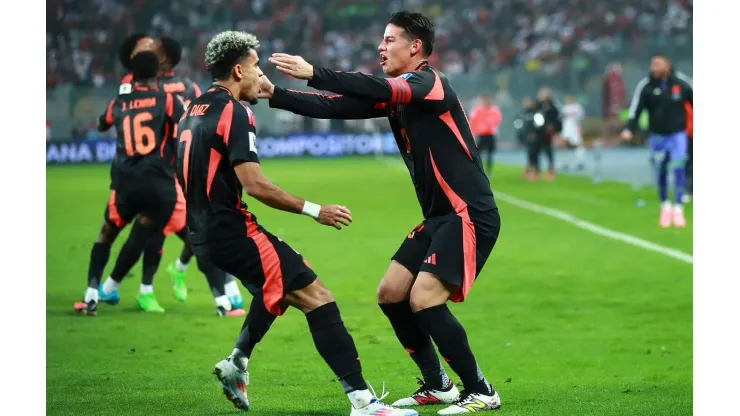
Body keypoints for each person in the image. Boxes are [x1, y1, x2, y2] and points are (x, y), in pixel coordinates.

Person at [264, 11, 502, 414]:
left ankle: (481, 389)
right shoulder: (400, 96)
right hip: (438, 218)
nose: (380, 47)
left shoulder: (430, 83)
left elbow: (371, 86)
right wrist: (273, 94)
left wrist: (314, 72)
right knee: (391, 294)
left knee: (424, 299)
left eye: (390, 40)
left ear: (415, 48)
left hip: (467, 214)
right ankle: (438, 384)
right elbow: (336, 107)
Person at [175, 30, 416, 416]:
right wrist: (314, 209)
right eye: (256, 67)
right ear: (238, 70)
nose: (261, 77)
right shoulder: (235, 112)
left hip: (202, 232)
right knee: (316, 296)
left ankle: (237, 361)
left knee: (277, 288)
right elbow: (254, 185)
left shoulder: (192, 110)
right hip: (232, 230)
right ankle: (364, 403)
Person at [74, 51, 185, 316]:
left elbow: (102, 124)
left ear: (132, 74)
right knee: (145, 233)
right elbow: (187, 124)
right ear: (158, 73)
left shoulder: (120, 103)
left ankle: (92, 293)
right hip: (160, 186)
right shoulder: (168, 100)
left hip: (126, 183)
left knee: (106, 235)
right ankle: (138, 288)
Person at [621, 54, 693, 228]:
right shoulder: (645, 86)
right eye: (652, 64)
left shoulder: (681, 83)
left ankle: (678, 207)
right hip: (658, 136)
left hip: (677, 135)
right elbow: (636, 109)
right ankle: (665, 206)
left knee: (678, 168)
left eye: (658, 64)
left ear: (667, 66)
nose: (654, 68)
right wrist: (629, 128)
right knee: (661, 170)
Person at [469, 96, 502, 177]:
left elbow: (497, 120)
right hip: (481, 135)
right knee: (478, 153)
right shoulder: (477, 110)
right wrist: (474, 133)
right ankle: (479, 169)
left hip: (490, 134)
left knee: (490, 154)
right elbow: (472, 121)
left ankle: (488, 171)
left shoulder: (494, 110)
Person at [533, 88, 561, 180]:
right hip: (538, 132)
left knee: (548, 152)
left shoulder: (552, 106)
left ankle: (551, 171)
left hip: (548, 133)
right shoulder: (537, 106)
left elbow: (556, 119)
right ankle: (537, 171)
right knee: (536, 151)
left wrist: (554, 129)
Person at [560, 95, 586, 172]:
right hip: (566, 130)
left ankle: (580, 162)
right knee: (565, 146)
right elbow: (562, 120)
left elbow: (581, 118)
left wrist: (580, 128)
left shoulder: (577, 107)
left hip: (575, 129)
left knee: (578, 145)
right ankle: (566, 163)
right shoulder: (564, 108)